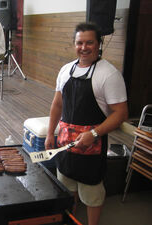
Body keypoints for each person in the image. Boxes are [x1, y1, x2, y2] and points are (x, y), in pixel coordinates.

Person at [44, 22, 128, 225]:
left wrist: (95, 134)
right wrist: (49, 134)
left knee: (92, 195)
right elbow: (57, 105)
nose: (84, 47)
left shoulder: (108, 74)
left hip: (91, 147)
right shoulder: (66, 70)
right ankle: (70, 220)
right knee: (66, 187)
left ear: (99, 44)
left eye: (89, 42)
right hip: (65, 144)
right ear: (74, 44)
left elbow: (121, 113)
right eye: (79, 42)